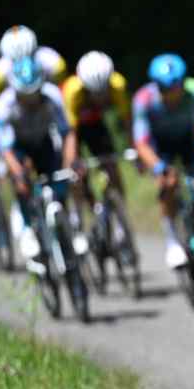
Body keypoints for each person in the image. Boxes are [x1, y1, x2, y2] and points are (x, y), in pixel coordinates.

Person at [133, 53, 194, 269]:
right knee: (167, 185)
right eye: (165, 89)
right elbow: (141, 143)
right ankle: (172, 242)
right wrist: (159, 167)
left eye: (176, 86)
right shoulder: (144, 100)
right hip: (161, 146)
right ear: (156, 86)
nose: (172, 93)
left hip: (190, 142)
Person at [0, 56, 71, 264]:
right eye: (25, 95)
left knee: (61, 183)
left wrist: (70, 163)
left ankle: (63, 225)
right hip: (18, 147)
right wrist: (17, 173)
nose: (30, 100)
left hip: (44, 142)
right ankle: (27, 227)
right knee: (22, 185)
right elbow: (6, 149)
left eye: (35, 93)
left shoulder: (53, 96)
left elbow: (67, 133)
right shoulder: (4, 106)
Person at [60, 51, 131, 252]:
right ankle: (78, 218)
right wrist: (72, 163)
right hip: (73, 130)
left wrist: (134, 150)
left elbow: (127, 121)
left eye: (103, 92)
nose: (99, 97)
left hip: (96, 126)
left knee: (112, 167)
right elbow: (70, 134)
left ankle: (119, 219)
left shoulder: (117, 85)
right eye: (94, 93)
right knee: (76, 173)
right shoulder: (72, 92)